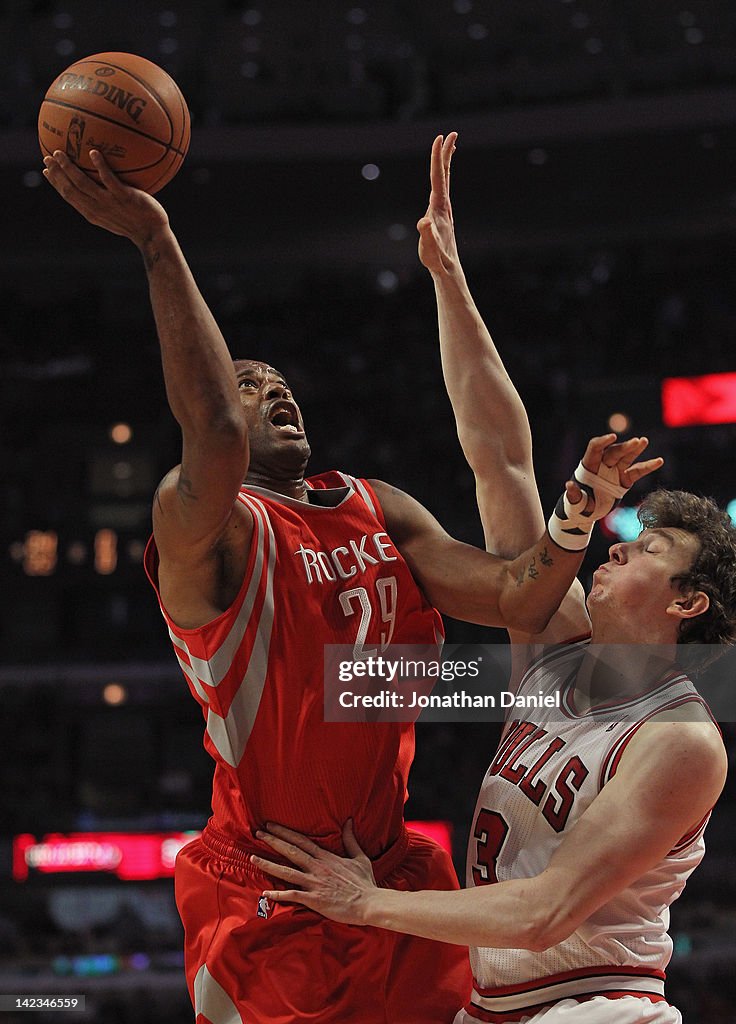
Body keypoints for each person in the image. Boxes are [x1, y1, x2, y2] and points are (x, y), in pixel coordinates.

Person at [42, 143, 659, 1024]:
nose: (273, 392)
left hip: (390, 872)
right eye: (252, 387)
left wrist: (575, 517)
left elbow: (522, 586)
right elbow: (216, 431)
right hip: (273, 883)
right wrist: (156, 241)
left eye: (282, 384)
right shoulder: (210, 532)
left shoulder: (379, 509)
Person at [249, 135, 735, 1024]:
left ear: (688, 602)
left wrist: (365, 904)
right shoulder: (557, 649)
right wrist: (448, 276)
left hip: (600, 1006)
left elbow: (546, 912)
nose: (618, 545)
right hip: (495, 1006)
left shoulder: (682, 743)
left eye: (650, 548)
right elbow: (499, 461)